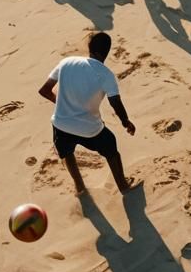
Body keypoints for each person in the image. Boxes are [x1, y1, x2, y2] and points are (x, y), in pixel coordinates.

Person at [38, 31, 136, 196]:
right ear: (107, 52)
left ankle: (80, 188)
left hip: (61, 125)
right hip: (90, 130)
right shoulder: (106, 74)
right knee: (111, 149)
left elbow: (44, 90)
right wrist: (126, 122)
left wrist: (63, 104)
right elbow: (115, 103)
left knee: (67, 154)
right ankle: (123, 186)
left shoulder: (66, 62)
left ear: (90, 48)